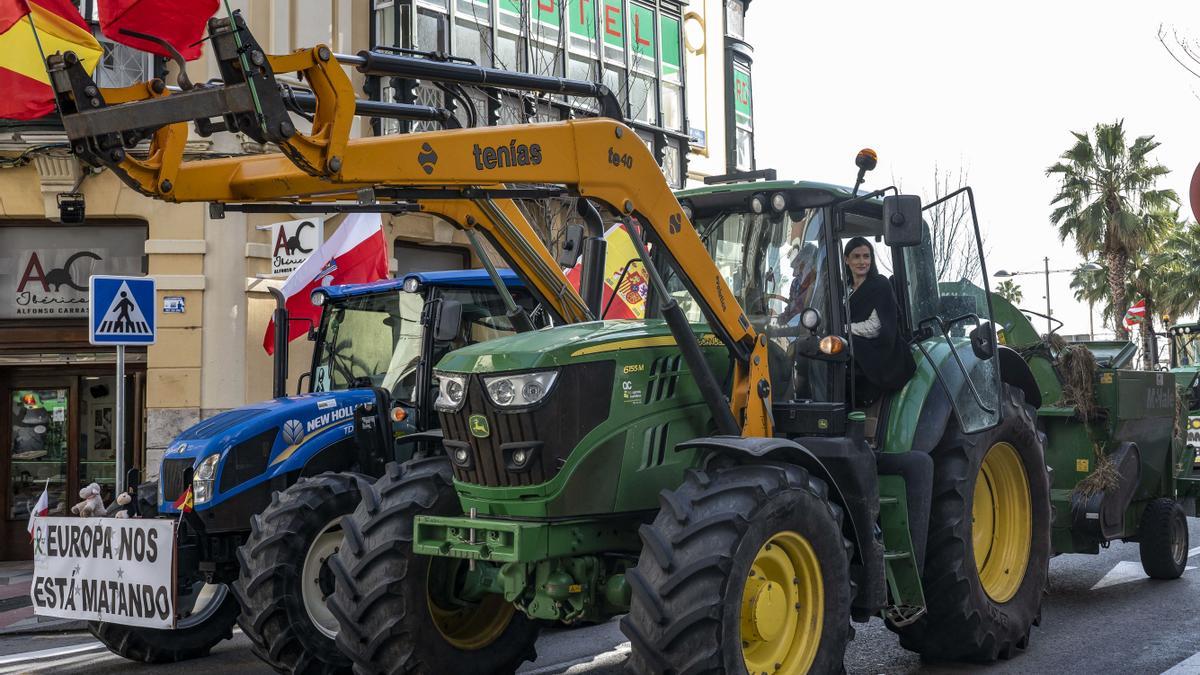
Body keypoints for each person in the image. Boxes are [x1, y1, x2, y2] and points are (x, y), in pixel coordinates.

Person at [843, 237, 915, 406]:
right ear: (846, 260)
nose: (862, 262)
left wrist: (843, 328)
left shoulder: (879, 285)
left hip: (878, 349)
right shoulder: (843, 288)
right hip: (850, 341)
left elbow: (875, 327)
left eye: (866, 256)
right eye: (856, 256)